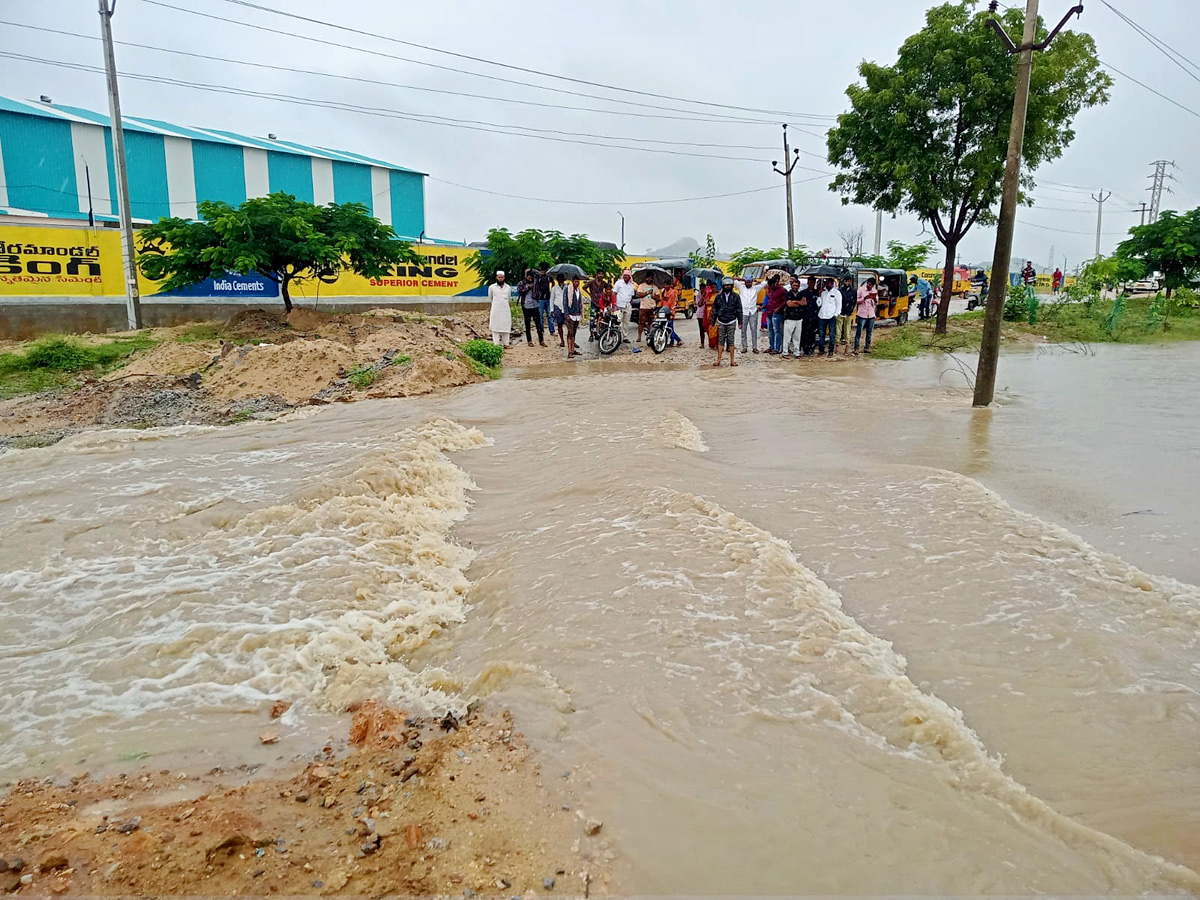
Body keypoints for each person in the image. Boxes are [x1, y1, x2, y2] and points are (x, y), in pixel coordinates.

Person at [712, 276, 741, 367]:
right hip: (721, 321)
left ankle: (732, 361)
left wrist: (740, 321)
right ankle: (718, 360)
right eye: (726, 285)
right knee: (720, 341)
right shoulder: (718, 297)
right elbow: (714, 310)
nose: (727, 287)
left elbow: (739, 309)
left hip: (731, 321)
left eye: (729, 285)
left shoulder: (736, 296)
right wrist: (712, 322)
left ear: (732, 286)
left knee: (731, 341)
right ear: (723, 286)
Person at [736, 276, 767, 353]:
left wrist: (756, 280)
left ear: (752, 282)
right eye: (747, 282)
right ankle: (744, 347)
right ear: (745, 282)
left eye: (750, 282)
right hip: (744, 311)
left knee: (754, 330)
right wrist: (742, 279)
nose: (748, 284)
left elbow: (765, 283)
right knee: (743, 330)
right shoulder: (741, 287)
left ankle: (754, 347)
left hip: (753, 311)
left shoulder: (755, 288)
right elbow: (734, 280)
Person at [780, 275, 807, 358]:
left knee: (797, 337)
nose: (795, 287)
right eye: (794, 285)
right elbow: (789, 304)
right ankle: (785, 352)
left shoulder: (801, 294)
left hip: (799, 318)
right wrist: (799, 303)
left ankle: (796, 352)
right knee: (787, 337)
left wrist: (795, 301)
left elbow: (805, 303)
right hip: (789, 318)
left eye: (797, 285)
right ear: (791, 285)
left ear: (799, 286)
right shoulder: (788, 294)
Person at [520, 268, 546, 347]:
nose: (530, 279)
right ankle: (529, 341)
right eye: (528, 277)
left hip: (535, 305)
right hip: (526, 306)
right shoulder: (522, 283)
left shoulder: (536, 282)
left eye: (531, 277)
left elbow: (539, 275)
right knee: (527, 325)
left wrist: (532, 270)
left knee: (538, 324)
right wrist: (528, 287)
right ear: (526, 277)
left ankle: (541, 341)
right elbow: (521, 292)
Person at [816, 278, 841, 356]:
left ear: (833, 284)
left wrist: (836, 314)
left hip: (831, 316)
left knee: (832, 334)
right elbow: (818, 304)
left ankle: (831, 350)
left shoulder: (837, 293)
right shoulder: (823, 293)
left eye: (829, 283)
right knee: (821, 334)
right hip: (822, 316)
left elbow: (839, 304)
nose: (827, 285)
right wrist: (819, 295)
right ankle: (821, 350)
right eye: (826, 283)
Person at [488, 270, 512, 347]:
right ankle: (496, 345)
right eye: (499, 277)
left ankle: (506, 344)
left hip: (505, 310)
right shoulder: (492, 287)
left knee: (506, 326)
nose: (500, 279)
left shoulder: (508, 287)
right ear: (496, 277)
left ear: (504, 278)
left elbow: (508, 298)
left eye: (502, 277)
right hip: (496, 310)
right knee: (495, 327)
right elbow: (490, 298)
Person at [764, 275, 787, 354]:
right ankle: (771, 347)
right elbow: (770, 299)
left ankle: (777, 348)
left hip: (777, 313)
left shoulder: (782, 290)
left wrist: (779, 308)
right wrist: (764, 306)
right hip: (769, 311)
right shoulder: (770, 289)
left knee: (777, 330)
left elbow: (785, 301)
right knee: (770, 331)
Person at [855, 277, 878, 353]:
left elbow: (876, 302)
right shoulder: (861, 290)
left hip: (871, 314)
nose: (870, 286)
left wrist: (874, 299)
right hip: (862, 314)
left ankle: (867, 347)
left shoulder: (874, 291)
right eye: (869, 284)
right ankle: (856, 348)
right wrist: (864, 298)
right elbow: (856, 301)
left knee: (869, 332)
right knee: (859, 332)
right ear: (867, 283)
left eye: (871, 285)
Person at [564, 275, 584, 358]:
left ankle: (572, 349)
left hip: (577, 314)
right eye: (575, 281)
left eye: (578, 281)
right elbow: (565, 302)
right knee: (570, 332)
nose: (577, 283)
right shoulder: (568, 290)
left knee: (574, 332)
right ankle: (569, 351)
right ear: (572, 282)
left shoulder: (578, 291)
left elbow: (580, 302)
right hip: (570, 314)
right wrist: (566, 314)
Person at [613, 268, 636, 337]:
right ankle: (617, 336)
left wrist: (630, 304)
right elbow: (614, 293)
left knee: (626, 322)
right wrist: (614, 304)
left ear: (629, 277)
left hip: (627, 306)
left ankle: (624, 336)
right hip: (619, 305)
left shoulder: (631, 285)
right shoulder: (618, 283)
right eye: (624, 275)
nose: (625, 276)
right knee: (618, 321)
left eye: (627, 275)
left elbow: (631, 296)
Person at [663, 280, 684, 347]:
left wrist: (672, 313)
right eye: (664, 285)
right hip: (664, 310)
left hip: (670, 311)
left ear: (669, 285)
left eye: (666, 285)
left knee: (670, 328)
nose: (665, 286)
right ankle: (673, 341)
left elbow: (671, 303)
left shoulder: (672, 292)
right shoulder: (664, 291)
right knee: (667, 327)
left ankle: (678, 340)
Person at [697, 278, 716, 348]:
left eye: (704, 288)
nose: (702, 290)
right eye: (701, 288)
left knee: (709, 329)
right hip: (700, 314)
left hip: (708, 314)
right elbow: (699, 304)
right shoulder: (698, 295)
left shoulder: (709, 294)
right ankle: (702, 343)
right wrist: (702, 296)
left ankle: (711, 343)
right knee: (701, 330)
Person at [549, 273, 567, 348]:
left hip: (566, 307)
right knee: (559, 324)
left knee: (569, 325)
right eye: (559, 279)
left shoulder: (567, 287)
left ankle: (571, 340)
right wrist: (552, 310)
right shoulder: (554, 288)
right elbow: (551, 299)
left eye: (561, 279)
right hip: (557, 307)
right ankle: (562, 340)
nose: (560, 280)